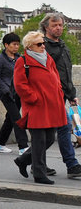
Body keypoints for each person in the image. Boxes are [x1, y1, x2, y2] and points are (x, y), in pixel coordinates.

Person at [13, 30, 69, 184]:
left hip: (51, 105)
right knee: (39, 140)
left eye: (43, 43)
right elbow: (19, 85)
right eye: (39, 44)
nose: (43, 46)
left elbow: (56, 76)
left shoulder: (48, 58)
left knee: (50, 138)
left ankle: (23, 160)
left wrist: (59, 91)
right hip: (36, 106)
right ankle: (39, 173)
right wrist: (34, 98)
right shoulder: (22, 61)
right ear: (30, 46)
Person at [40, 13, 81, 177]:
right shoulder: (42, 46)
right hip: (49, 96)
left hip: (62, 95)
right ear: (46, 27)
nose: (58, 28)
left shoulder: (63, 46)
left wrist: (71, 95)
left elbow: (66, 74)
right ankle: (72, 165)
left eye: (61, 25)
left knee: (48, 133)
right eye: (55, 25)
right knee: (62, 128)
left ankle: (32, 161)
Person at [0, 32, 30, 154]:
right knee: (17, 118)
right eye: (14, 44)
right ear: (6, 45)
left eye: (18, 44)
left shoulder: (19, 59)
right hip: (6, 94)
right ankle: (23, 147)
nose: (16, 47)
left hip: (18, 93)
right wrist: (6, 89)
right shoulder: (0, 59)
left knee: (10, 119)